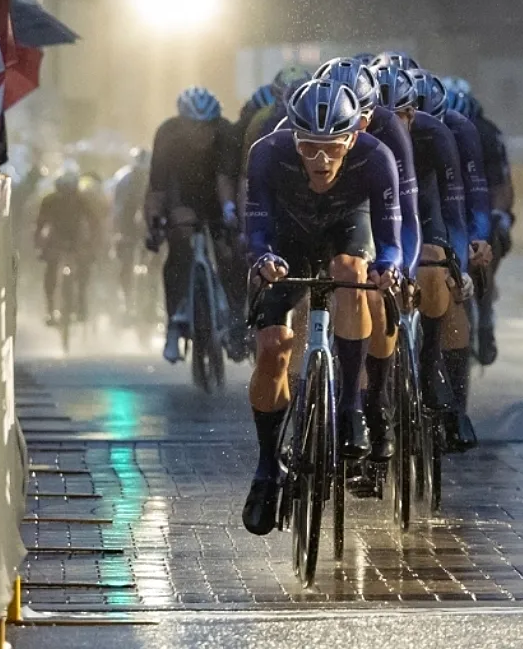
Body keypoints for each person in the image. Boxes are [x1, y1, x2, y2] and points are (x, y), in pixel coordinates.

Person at [240, 79, 402, 536]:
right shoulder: (266, 153)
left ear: (353, 138)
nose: (321, 160)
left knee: (352, 271)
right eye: (309, 147)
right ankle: (267, 467)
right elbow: (256, 229)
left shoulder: (377, 157)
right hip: (287, 240)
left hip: (347, 231)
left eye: (332, 147)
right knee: (274, 346)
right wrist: (263, 259)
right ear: (293, 138)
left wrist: (388, 267)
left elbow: (390, 241)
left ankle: (350, 406)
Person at [314, 57, 420, 463]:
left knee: (369, 286)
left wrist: (401, 269)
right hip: (315, 213)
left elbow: (404, 213)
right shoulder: (307, 127)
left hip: (367, 212)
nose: (351, 128)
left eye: (361, 119)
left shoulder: (388, 131)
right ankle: (306, 397)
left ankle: (375, 400)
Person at [408, 69, 489, 452]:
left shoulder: (454, 131)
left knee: (447, 279)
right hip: (385, 203)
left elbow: (466, 200)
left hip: (433, 203)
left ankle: (455, 406)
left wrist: (464, 257)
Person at [145, 86, 240, 363]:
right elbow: (157, 187)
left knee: (229, 251)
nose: (201, 134)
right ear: (182, 123)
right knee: (179, 249)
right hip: (180, 196)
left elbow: (225, 179)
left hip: (214, 195)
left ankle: (235, 317)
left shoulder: (225, 132)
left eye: (206, 128)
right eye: (194, 128)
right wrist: (155, 224)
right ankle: (173, 324)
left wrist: (230, 212)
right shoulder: (167, 134)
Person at [446, 85, 514, 364]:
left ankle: (485, 313)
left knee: (487, 242)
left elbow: (500, 185)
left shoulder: (486, 135)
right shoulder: (430, 134)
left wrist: (498, 214)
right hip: (448, 203)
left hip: (479, 201)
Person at [35, 167, 96, 326]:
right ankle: (50, 309)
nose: (66, 196)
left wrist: (92, 245)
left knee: (83, 268)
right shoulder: (49, 201)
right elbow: (40, 224)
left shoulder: (82, 200)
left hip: (76, 239)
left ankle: (81, 303)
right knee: (51, 269)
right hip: (56, 239)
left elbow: (93, 222)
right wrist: (39, 246)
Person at [107, 148, 158, 328]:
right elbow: (117, 209)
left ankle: (153, 302)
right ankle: (126, 301)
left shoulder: (156, 180)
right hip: (128, 227)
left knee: (156, 264)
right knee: (124, 264)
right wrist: (117, 233)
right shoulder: (124, 180)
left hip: (149, 226)